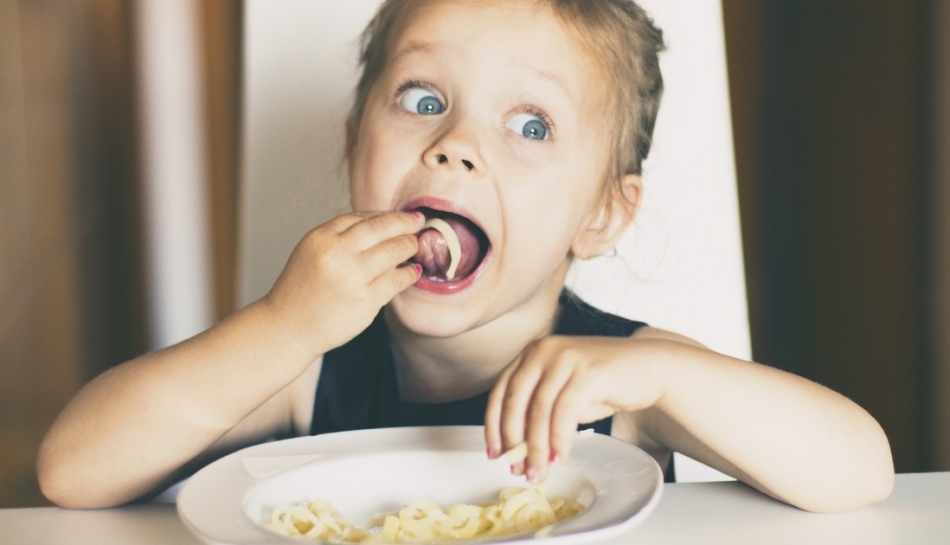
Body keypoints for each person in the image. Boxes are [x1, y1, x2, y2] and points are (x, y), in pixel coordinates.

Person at [37, 0, 894, 513]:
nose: (453, 146)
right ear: (352, 148)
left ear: (600, 213)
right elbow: (72, 468)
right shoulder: (307, 366)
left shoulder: (623, 383)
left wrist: (669, 379)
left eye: (530, 125)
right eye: (422, 100)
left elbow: (861, 471)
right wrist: (277, 324)